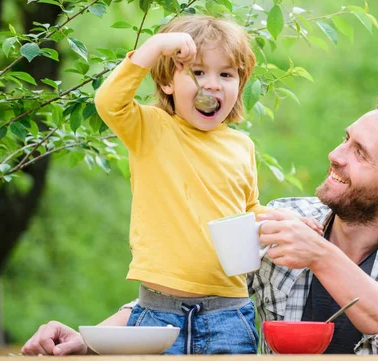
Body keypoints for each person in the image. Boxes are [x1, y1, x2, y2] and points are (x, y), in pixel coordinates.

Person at [21, 92, 378, 356]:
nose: (336, 155)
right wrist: (89, 341)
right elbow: (189, 297)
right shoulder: (288, 218)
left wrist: (320, 256)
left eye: (360, 153)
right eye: (345, 139)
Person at [90, 15, 320, 355]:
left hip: (228, 315)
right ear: (167, 81)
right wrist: (154, 47)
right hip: (157, 313)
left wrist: (280, 220)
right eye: (197, 72)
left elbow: (246, 211)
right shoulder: (151, 128)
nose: (212, 84)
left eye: (226, 74)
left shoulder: (241, 147)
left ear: (239, 85)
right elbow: (108, 102)